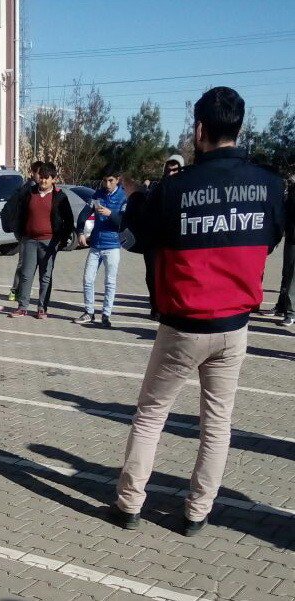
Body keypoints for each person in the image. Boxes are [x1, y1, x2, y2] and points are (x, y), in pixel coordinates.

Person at [111, 87, 285, 537]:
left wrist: (133, 201)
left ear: (199, 129)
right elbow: (272, 240)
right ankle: (197, 512)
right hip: (235, 326)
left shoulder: (175, 188)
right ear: (239, 128)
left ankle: (130, 504)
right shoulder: (267, 184)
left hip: (183, 325)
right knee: (217, 424)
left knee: (151, 414)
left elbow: (135, 241)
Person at [8, 162, 74, 319]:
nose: (43, 181)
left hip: (49, 242)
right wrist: (20, 234)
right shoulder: (29, 193)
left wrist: (61, 241)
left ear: (53, 179)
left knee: (45, 276)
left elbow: (69, 220)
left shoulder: (59, 196)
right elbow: (19, 214)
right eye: (42, 178)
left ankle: (42, 308)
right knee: (26, 274)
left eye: (47, 178)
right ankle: (22, 307)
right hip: (29, 240)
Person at [74, 167, 128, 327]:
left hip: (112, 246)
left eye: (111, 180)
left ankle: (106, 315)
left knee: (110, 282)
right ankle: (89, 312)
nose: (107, 184)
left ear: (117, 179)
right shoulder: (97, 195)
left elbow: (123, 222)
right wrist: (80, 232)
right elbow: (83, 215)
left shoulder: (123, 197)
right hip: (96, 244)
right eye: (105, 180)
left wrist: (110, 213)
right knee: (88, 279)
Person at [144, 154, 185, 319]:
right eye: (168, 169)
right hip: (154, 240)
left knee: (173, 276)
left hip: (176, 241)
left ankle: (171, 307)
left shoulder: (186, 188)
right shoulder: (157, 188)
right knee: (152, 275)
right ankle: (155, 306)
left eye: (175, 170)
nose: (171, 173)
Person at [7, 160, 43, 302]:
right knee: (24, 262)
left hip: (32, 232)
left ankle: (21, 290)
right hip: (25, 232)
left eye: (42, 173)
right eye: (38, 173)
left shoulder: (38, 188)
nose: (40, 176)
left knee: (28, 263)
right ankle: (15, 290)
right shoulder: (28, 188)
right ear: (32, 173)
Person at [263, 181, 294, 326]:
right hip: (291, 237)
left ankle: (291, 311)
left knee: (292, 276)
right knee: (286, 273)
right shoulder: (293, 189)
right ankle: (281, 306)